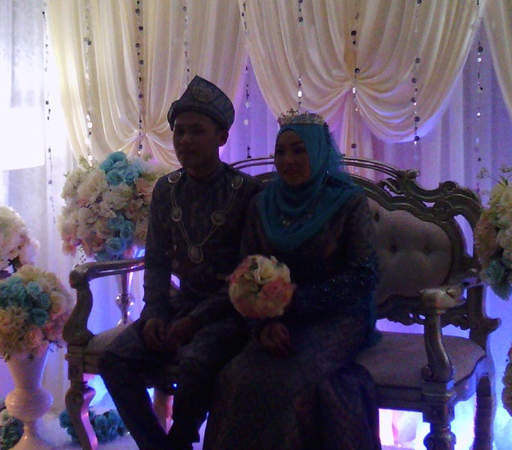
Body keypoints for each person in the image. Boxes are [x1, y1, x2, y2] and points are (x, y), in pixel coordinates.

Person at [98, 75, 263, 450]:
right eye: (179, 131)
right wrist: (155, 313)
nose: (185, 140)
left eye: (196, 131)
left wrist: (194, 320)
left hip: (228, 312)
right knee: (114, 360)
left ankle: (181, 439)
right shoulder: (166, 189)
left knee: (195, 363)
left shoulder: (247, 192)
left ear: (221, 136)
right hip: (177, 305)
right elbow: (155, 261)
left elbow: (246, 275)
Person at [203, 110, 382, 450]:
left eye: (299, 150)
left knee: (294, 381)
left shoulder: (348, 203)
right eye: (281, 151)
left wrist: (293, 300)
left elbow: (363, 276)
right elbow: (246, 273)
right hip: (275, 320)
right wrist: (262, 325)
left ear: (318, 152)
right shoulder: (262, 205)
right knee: (235, 377)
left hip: (337, 318)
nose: (288, 160)